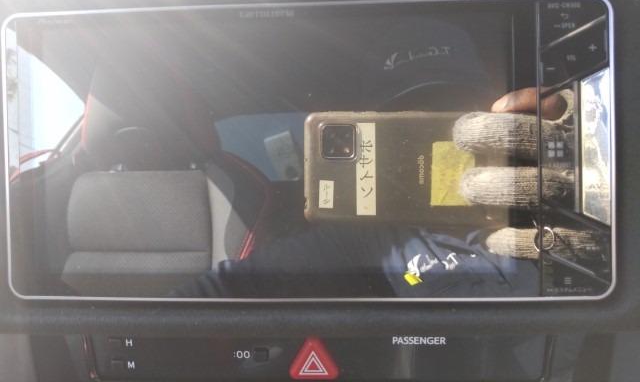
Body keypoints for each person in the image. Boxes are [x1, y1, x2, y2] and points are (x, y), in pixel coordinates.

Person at [172, 88, 572, 299]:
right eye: (411, 112)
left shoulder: (546, 150)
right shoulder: (365, 237)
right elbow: (232, 288)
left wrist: (590, 149)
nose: (433, 130)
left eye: (451, 103)